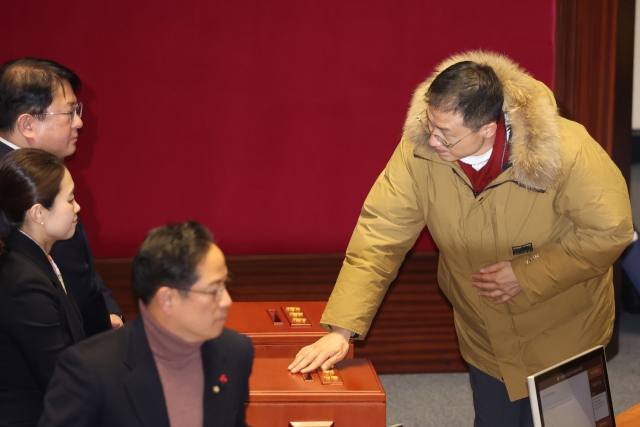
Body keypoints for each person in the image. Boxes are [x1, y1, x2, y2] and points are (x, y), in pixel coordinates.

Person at [288, 51, 634, 426]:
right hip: (484, 331)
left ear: (488, 128)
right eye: (430, 123)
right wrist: (342, 330)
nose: (432, 139)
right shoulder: (420, 150)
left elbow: (612, 231)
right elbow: (380, 234)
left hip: (563, 331)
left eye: (447, 134)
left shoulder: (569, 151)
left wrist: (527, 272)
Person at [39, 221, 254, 427]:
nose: (227, 301)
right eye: (214, 289)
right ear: (167, 299)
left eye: (225, 284)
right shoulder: (90, 371)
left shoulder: (236, 352)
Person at [0, 57, 123, 334]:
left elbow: (78, 265)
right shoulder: (9, 184)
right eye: (69, 112)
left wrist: (108, 312)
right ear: (27, 124)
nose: (79, 122)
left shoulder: (40, 169)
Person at [0, 149, 85, 426]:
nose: (78, 208)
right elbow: (59, 376)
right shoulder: (23, 281)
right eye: (70, 199)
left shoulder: (35, 258)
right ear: (38, 212)